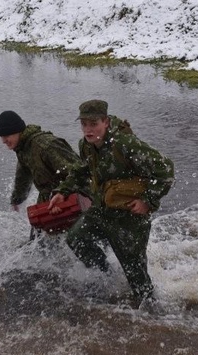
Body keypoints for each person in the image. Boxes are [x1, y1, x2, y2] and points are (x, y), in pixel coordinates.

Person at [48, 100, 174, 306]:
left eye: (93, 124)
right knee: (76, 238)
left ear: (105, 122)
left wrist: (147, 201)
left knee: (138, 279)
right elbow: (83, 170)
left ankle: (152, 316)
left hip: (130, 218)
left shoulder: (125, 144)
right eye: (84, 124)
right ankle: (106, 277)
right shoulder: (86, 146)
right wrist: (63, 191)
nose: (88, 130)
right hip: (102, 210)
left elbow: (166, 170)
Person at [0, 110, 81, 217]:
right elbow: (23, 178)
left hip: (71, 198)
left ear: (17, 131)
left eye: (6, 135)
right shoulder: (23, 149)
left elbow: (79, 171)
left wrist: (62, 193)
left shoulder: (45, 146)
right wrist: (16, 201)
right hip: (48, 200)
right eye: (1, 137)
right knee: (38, 231)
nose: (3, 141)